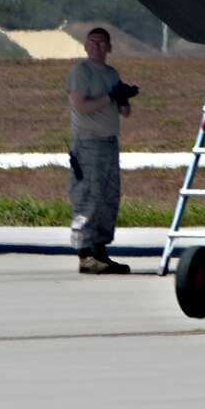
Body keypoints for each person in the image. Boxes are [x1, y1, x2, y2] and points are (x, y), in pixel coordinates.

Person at [67, 27, 138, 275]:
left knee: (108, 198)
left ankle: (100, 251)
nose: (97, 47)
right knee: (88, 197)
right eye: (93, 43)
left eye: (102, 43)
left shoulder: (111, 73)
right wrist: (110, 96)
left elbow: (124, 112)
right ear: (86, 47)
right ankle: (85, 254)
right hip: (88, 143)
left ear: (109, 48)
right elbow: (82, 107)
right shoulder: (81, 72)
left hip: (109, 142)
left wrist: (124, 98)